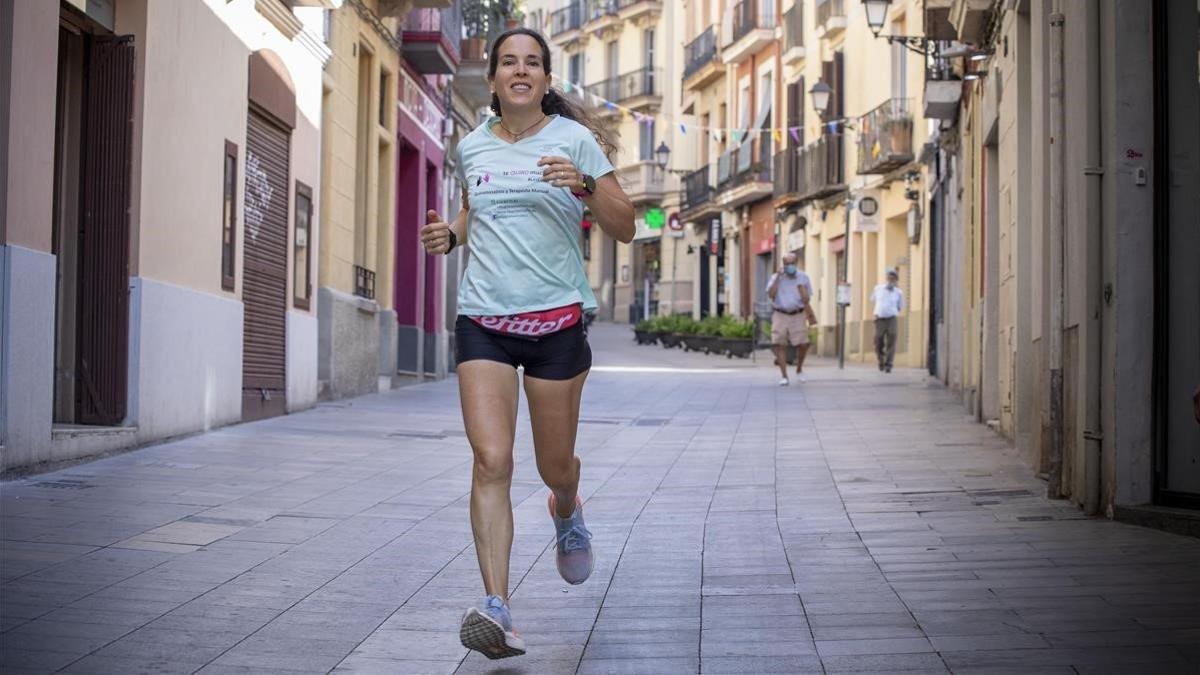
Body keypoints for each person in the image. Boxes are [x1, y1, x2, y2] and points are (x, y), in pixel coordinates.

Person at [420, 28, 634, 660]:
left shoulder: (575, 141)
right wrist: (452, 237)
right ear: (492, 80)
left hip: (557, 324)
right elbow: (474, 208)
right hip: (483, 319)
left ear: (545, 80)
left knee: (552, 464)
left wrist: (586, 186)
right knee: (491, 460)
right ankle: (497, 608)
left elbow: (626, 226)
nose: (520, 71)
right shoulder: (471, 147)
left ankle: (566, 507)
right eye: (509, 62)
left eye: (532, 63)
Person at [766, 253, 815, 386]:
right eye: (787, 264)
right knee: (779, 344)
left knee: (803, 344)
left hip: (798, 314)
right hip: (780, 313)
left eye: (792, 263)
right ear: (783, 264)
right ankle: (784, 376)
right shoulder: (776, 277)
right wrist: (778, 277)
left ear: (796, 263)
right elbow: (771, 295)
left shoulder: (803, 277)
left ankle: (799, 368)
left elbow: (807, 298)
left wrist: (803, 292)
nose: (790, 266)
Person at [871, 268, 905, 373]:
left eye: (893, 277)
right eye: (890, 276)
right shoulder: (878, 288)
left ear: (896, 280)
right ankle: (881, 360)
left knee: (892, 340)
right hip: (880, 319)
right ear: (886, 277)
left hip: (892, 319)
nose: (891, 279)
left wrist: (892, 311)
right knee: (878, 341)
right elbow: (873, 300)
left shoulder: (899, 292)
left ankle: (889, 364)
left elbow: (901, 306)